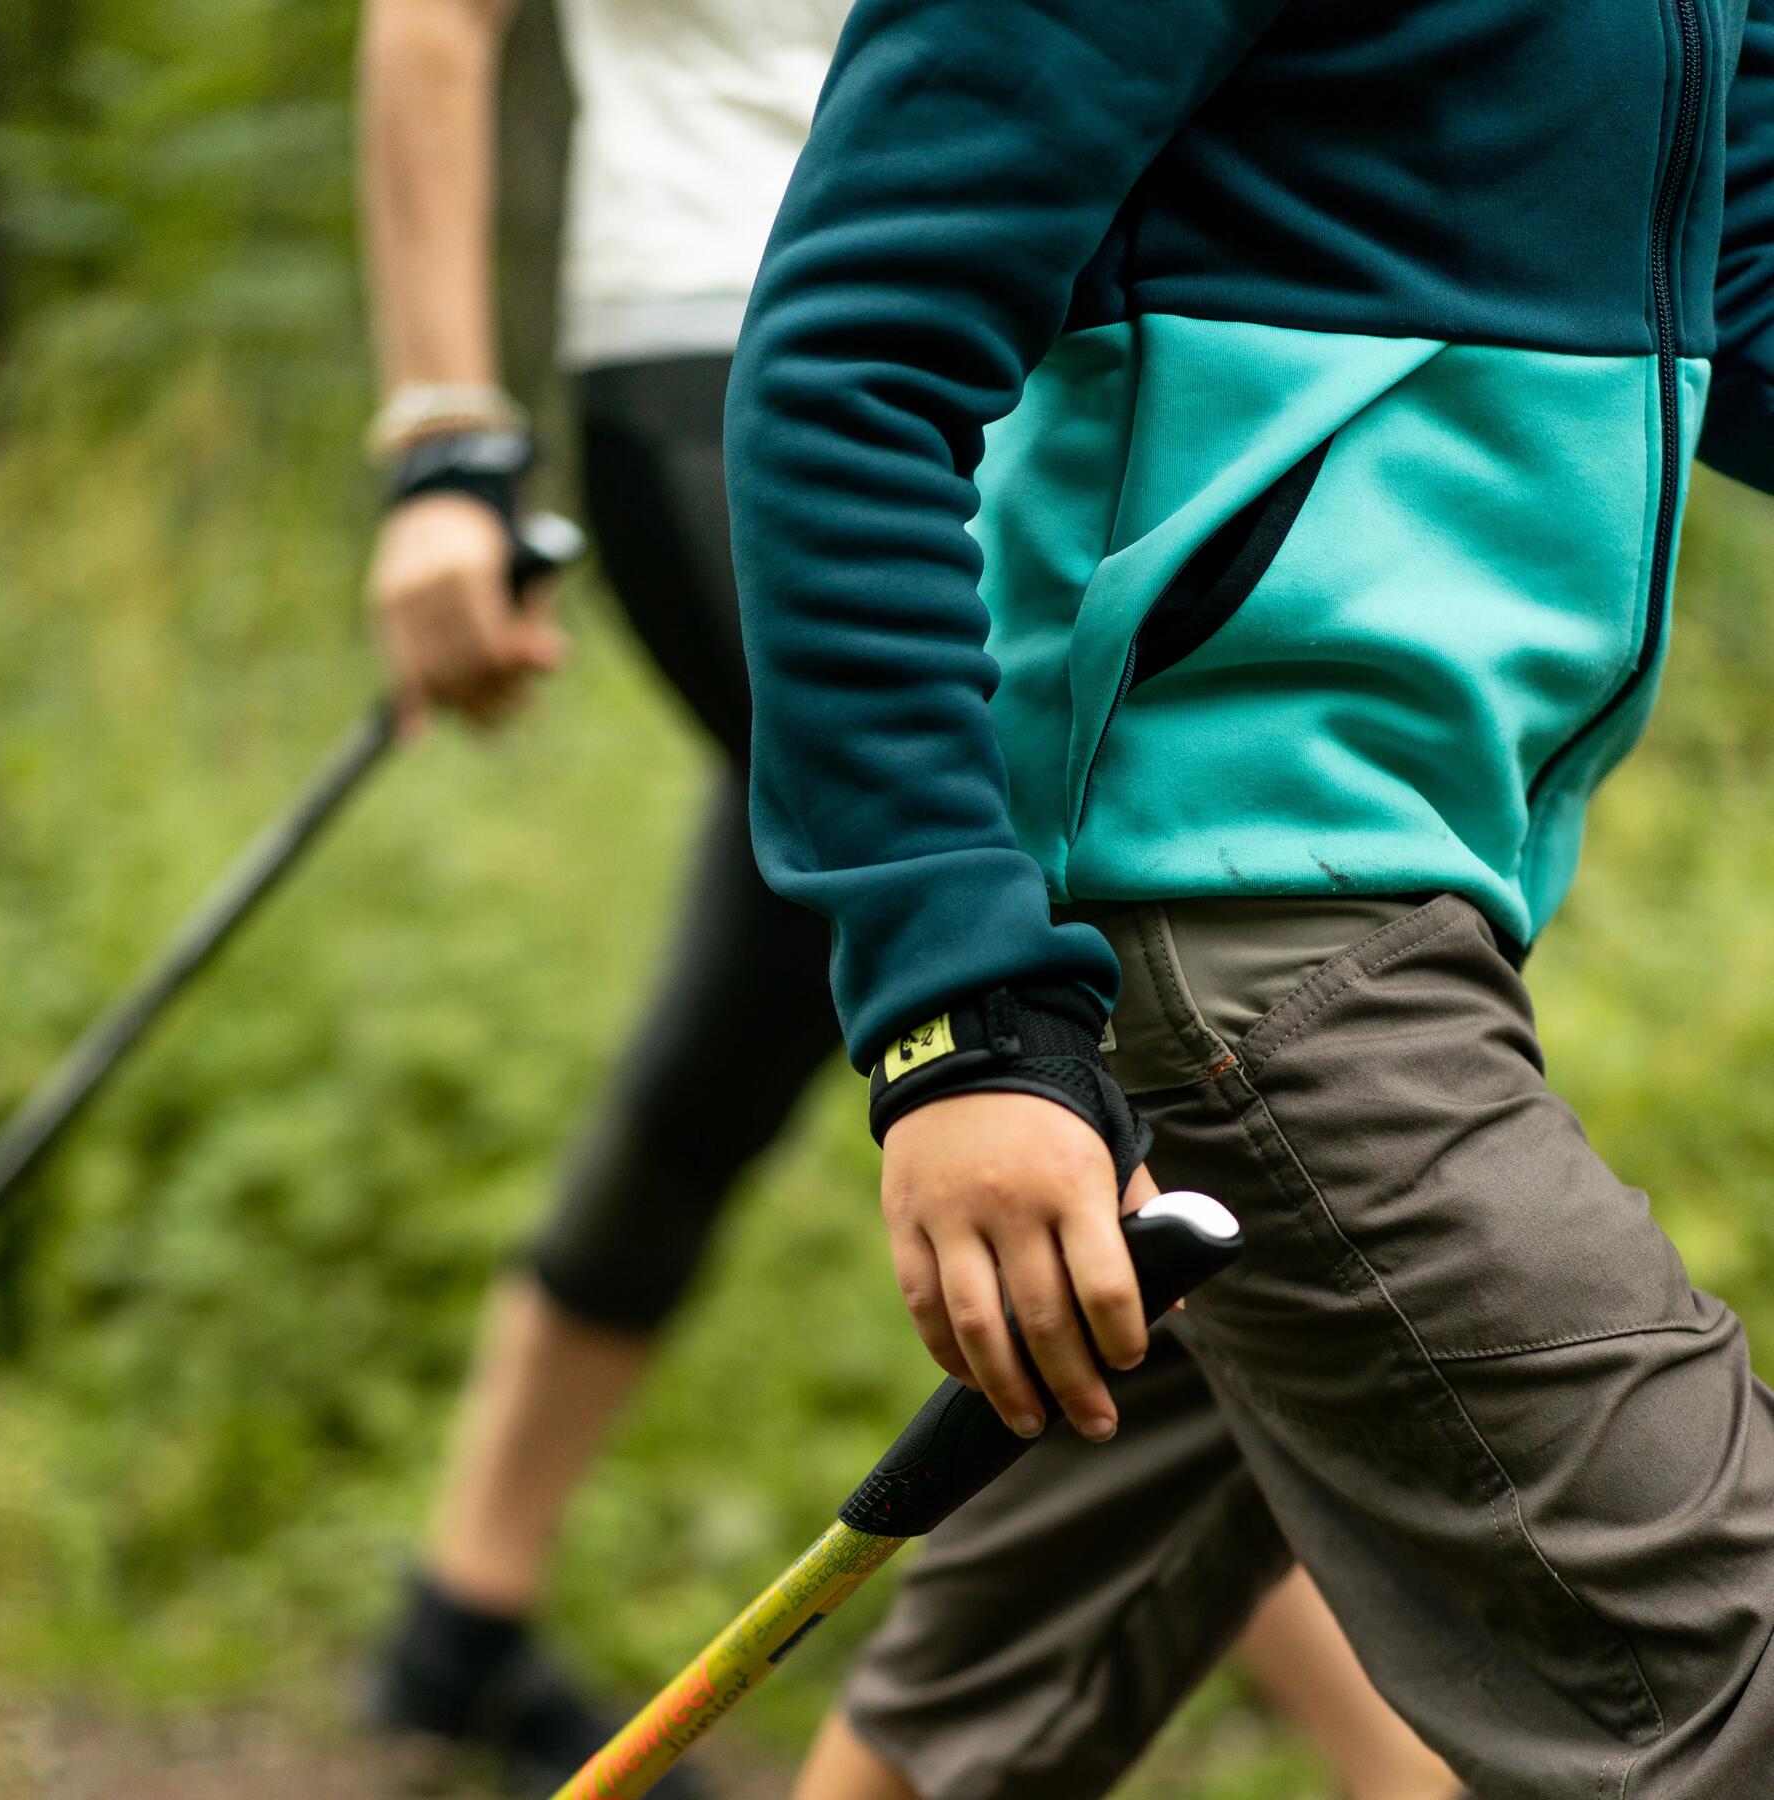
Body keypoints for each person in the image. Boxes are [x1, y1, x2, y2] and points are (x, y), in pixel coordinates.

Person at [354, 1, 1456, 1796]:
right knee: (1081, 1084)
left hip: (1005, 365)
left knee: (751, 1015)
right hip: (748, 376)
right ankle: (1410, 1771)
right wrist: (441, 441)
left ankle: (459, 1621)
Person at [723, 2, 1774, 1798]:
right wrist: (958, 1014)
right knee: (1730, 1681)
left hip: (1408, 891)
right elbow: (847, 366)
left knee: (972, 1731)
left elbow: (1731, 295)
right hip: (1231, 919)